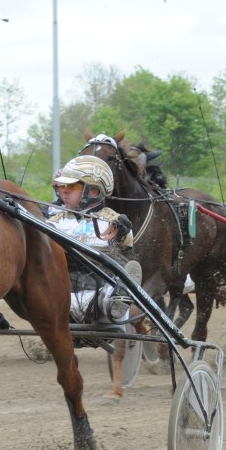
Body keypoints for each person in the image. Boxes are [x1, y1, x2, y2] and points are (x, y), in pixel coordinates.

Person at [47, 155, 145, 401]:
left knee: (117, 281)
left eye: (72, 187)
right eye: (61, 187)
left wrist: (120, 233)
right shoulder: (54, 220)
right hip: (66, 296)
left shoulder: (113, 220)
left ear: (93, 190)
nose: (63, 192)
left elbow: (125, 251)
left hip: (103, 295)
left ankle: (121, 300)